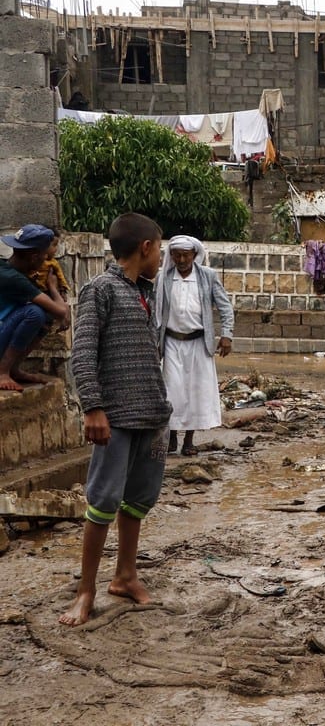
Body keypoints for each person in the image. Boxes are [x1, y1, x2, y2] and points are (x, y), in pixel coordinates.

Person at [60, 213, 173, 627]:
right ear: (145, 248)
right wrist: (93, 407)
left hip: (151, 414)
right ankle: (86, 590)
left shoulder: (145, 292)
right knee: (103, 500)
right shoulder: (100, 290)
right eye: (159, 248)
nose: (161, 256)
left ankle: (125, 575)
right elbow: (83, 353)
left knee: (139, 498)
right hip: (116, 416)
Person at [154, 236, 234, 456]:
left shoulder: (207, 276)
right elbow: (155, 312)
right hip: (171, 342)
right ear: (171, 256)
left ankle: (189, 440)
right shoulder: (163, 279)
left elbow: (225, 307)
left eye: (185, 255)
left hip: (199, 343)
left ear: (193, 255)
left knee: (195, 391)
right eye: (177, 255)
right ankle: (171, 438)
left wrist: (227, 335)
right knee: (172, 391)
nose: (181, 259)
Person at [0, 224, 70, 391]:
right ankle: (2, 371)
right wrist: (53, 287)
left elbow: (58, 311)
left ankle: (13, 369)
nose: (47, 260)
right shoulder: (14, 279)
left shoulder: (15, 272)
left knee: (45, 315)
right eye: (45, 256)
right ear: (34, 257)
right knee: (35, 313)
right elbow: (61, 310)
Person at [32, 228, 71, 331]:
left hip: (47, 290)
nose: (56, 249)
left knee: (61, 307)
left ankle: (56, 324)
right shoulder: (33, 263)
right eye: (54, 245)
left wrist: (63, 289)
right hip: (37, 290)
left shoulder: (53, 263)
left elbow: (60, 276)